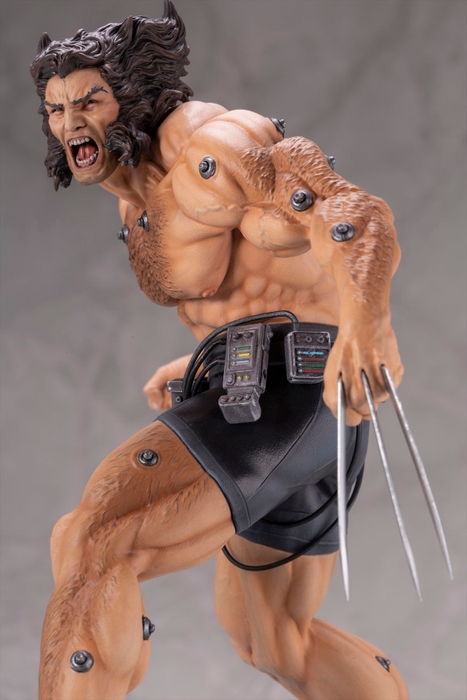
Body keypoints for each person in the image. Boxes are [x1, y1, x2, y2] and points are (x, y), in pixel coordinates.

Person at [31, 2, 408, 698]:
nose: (70, 122)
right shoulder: (135, 188)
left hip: (294, 395)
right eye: (56, 108)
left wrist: (370, 325)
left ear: (132, 96)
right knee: (275, 642)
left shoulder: (211, 147)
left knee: (93, 539)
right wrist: (209, 358)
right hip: (283, 399)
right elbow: (254, 286)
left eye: (88, 102)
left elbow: (348, 212)